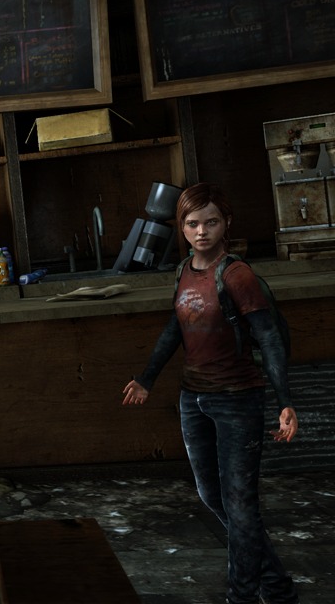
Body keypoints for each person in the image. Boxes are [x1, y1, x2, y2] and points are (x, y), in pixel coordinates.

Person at [121, 182, 299, 604]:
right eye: (192, 223)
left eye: (211, 222)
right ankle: (277, 588)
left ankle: (241, 597)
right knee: (214, 498)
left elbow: (269, 338)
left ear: (227, 223)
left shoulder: (237, 275)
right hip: (194, 399)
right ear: (181, 227)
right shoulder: (184, 269)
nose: (201, 231)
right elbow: (176, 328)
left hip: (238, 398)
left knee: (241, 505)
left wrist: (285, 401)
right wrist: (147, 377)